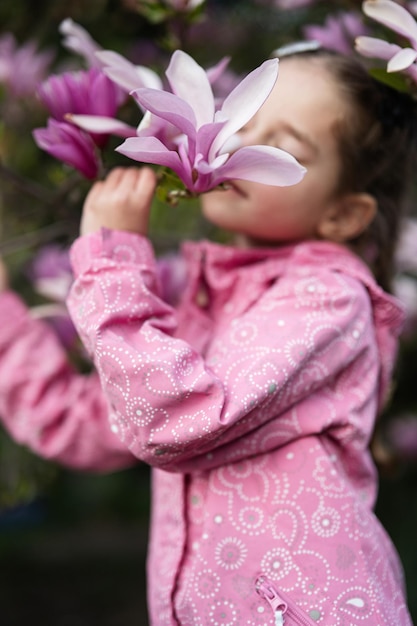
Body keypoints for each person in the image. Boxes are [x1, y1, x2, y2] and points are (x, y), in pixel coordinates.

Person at [0, 47, 415, 625]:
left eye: (283, 145)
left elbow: (176, 419)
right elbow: (78, 422)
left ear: (343, 216)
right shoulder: (202, 308)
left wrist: (112, 265)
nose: (233, 148)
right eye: (239, 124)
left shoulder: (326, 299)